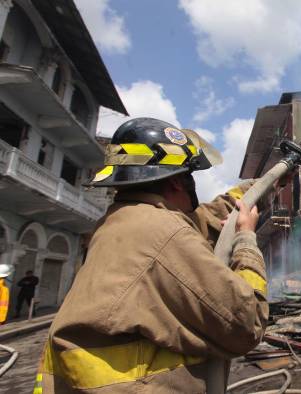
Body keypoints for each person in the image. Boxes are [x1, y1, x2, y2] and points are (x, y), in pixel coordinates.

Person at [34, 118, 269, 393]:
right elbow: (246, 324)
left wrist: (262, 187)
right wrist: (245, 238)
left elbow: (206, 216)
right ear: (178, 182)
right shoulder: (164, 233)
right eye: (189, 175)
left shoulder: (123, 221)